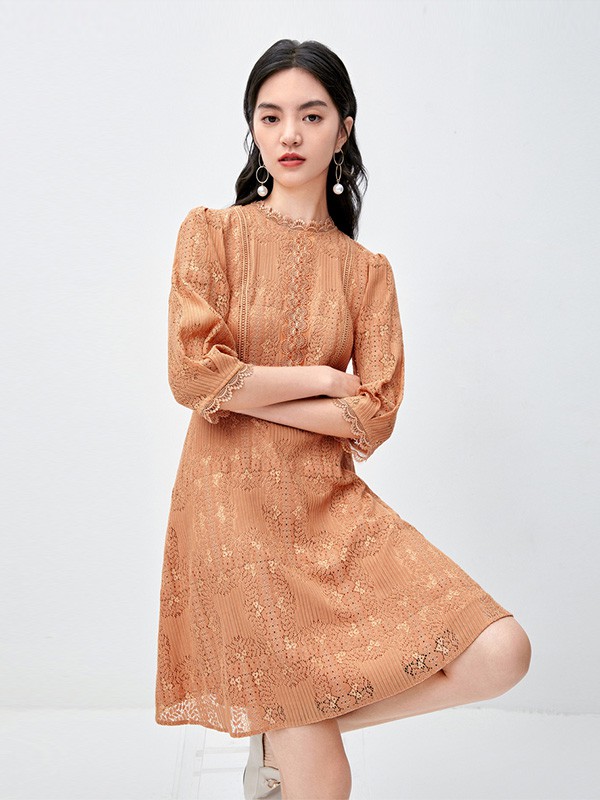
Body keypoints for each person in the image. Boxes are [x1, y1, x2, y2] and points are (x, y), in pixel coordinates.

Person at [155, 38, 532, 800]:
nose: (289, 134)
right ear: (253, 129)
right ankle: (289, 726)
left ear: (343, 128)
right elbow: (193, 375)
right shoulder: (212, 234)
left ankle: (279, 724)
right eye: (270, 117)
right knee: (325, 780)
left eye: (311, 115)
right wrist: (324, 380)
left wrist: (251, 390)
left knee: (502, 652)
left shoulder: (367, 274)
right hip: (235, 514)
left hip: (330, 511)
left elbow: (377, 412)